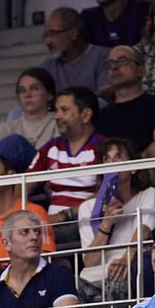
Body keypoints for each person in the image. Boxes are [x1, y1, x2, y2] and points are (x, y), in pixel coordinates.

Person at [77, 139, 155, 299]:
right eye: (106, 158)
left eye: (118, 157)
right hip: (92, 276)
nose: (111, 163)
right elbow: (89, 262)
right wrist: (106, 224)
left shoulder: (148, 194)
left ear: (133, 168)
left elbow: (143, 231)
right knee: (70, 288)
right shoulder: (87, 207)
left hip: (128, 269)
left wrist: (126, 259)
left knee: (117, 280)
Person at [28, 86, 106, 235]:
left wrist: (65, 216)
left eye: (64, 110)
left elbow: (107, 194)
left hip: (88, 224)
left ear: (86, 115)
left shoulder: (104, 148)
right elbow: (22, 188)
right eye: (57, 110)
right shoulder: (50, 148)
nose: (57, 116)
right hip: (50, 228)